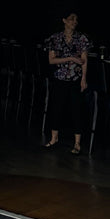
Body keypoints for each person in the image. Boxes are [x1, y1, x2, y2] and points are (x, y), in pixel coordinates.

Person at [43, 11, 89, 154]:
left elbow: (84, 61)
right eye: (71, 19)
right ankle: (54, 138)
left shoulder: (81, 38)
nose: (74, 22)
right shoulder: (55, 38)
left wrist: (83, 79)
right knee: (56, 108)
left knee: (76, 110)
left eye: (76, 20)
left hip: (75, 78)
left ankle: (77, 143)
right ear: (64, 20)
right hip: (60, 78)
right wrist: (70, 58)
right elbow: (51, 60)